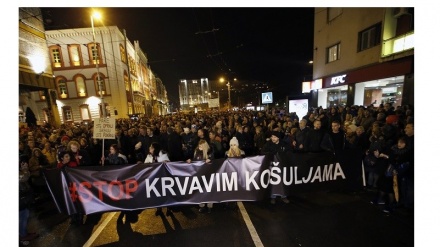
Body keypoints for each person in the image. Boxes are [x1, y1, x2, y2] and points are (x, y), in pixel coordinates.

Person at [261, 131, 292, 204]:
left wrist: (283, 155)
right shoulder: (268, 144)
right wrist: (271, 154)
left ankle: (284, 196)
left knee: (283, 181)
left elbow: (289, 152)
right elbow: (263, 152)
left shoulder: (284, 144)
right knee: (273, 181)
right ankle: (273, 196)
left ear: (278, 138)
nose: (273, 138)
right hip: (272, 167)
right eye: (272, 137)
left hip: (282, 167)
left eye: (274, 137)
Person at [186, 139, 214, 213]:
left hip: (208, 174)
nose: (199, 147)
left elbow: (214, 162)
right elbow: (195, 161)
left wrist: (210, 160)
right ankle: (201, 205)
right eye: (199, 146)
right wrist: (190, 161)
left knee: (208, 190)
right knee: (200, 190)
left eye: (201, 146)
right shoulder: (196, 151)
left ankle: (209, 206)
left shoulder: (209, 152)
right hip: (199, 174)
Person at [19, 158, 39, 244]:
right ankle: (23, 236)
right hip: (19, 198)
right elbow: (23, 178)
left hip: (22, 197)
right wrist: (25, 170)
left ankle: (24, 233)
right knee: (22, 216)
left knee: (25, 214)